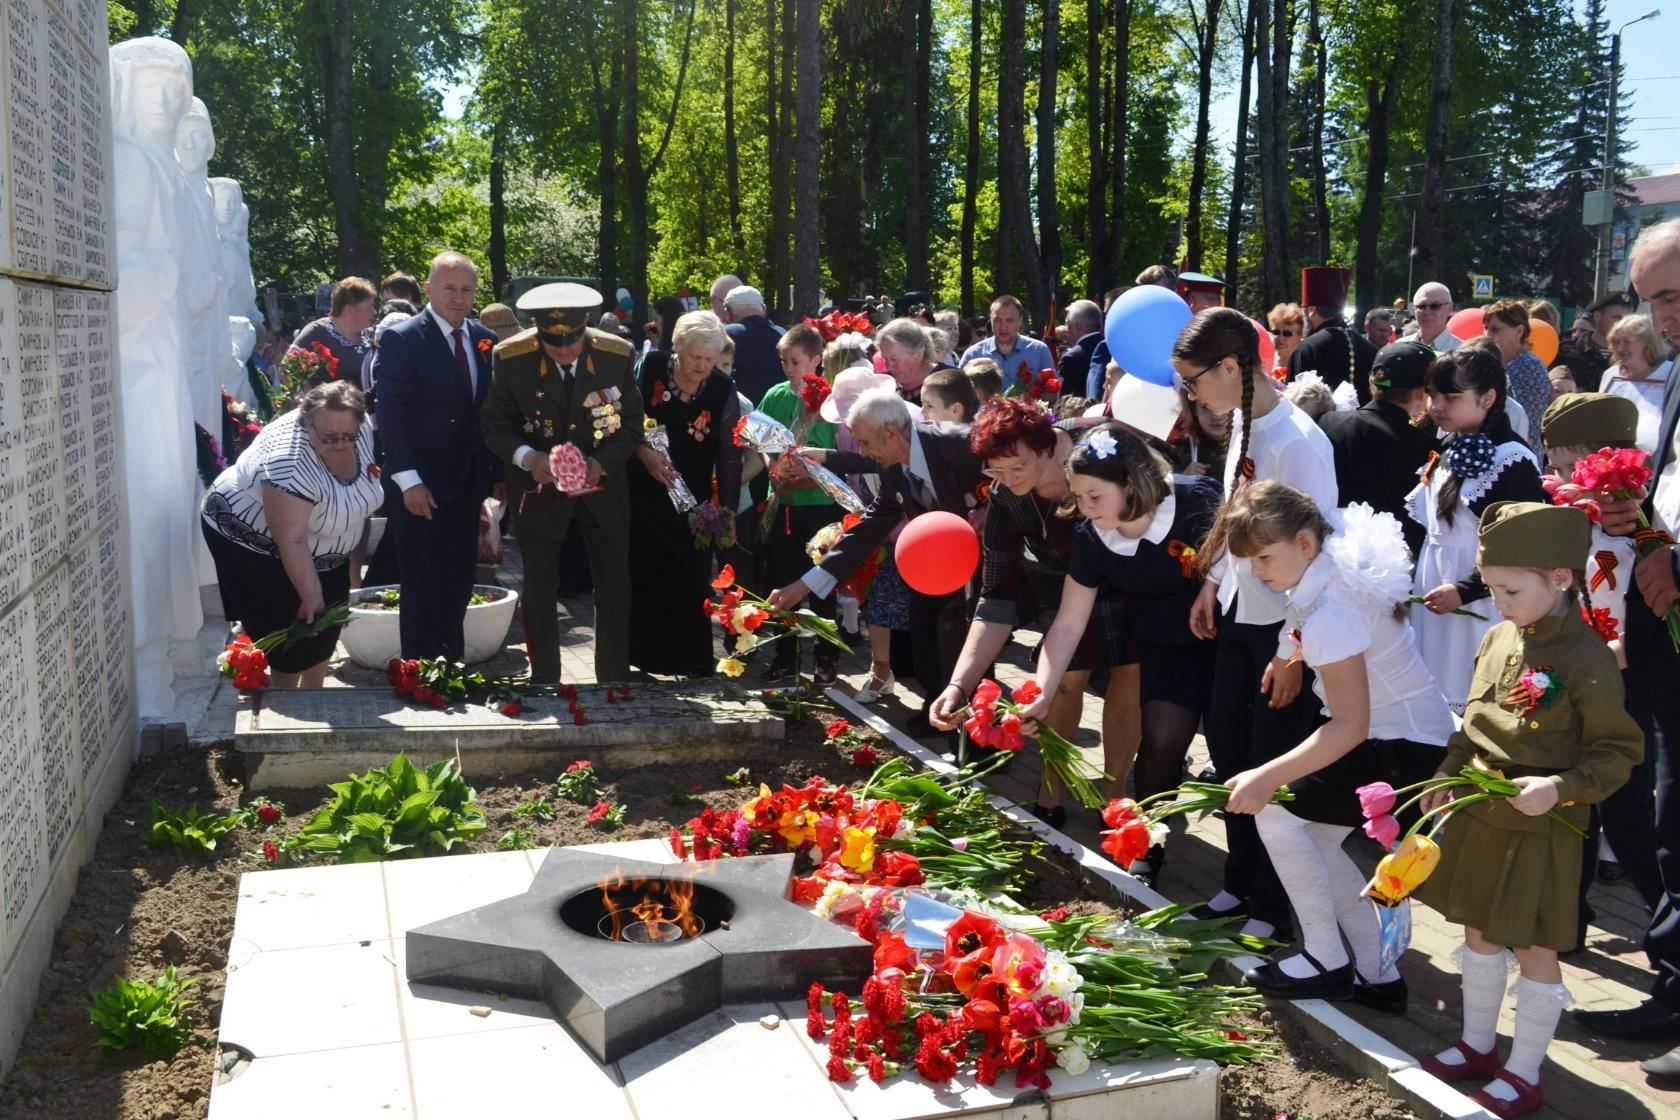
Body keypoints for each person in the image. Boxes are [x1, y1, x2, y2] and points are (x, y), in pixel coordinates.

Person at [1415, 502, 1641, 1117]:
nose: (1498, 602)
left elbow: (1618, 752)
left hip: (1544, 825)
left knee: (1535, 948)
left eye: (1511, 589)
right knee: (1480, 932)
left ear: (1560, 579)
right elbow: (1470, 722)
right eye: (1490, 588)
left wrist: (1561, 787)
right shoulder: (1497, 636)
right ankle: (1478, 1045)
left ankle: (1524, 1071)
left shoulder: (1588, 660)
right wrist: (1444, 772)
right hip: (1482, 813)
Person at [1215, 484, 1453, 1010]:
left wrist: (1266, 775)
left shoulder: (1335, 614)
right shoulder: (1326, 576)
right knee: (1316, 840)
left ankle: (1326, 959)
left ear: (1304, 543)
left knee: (1277, 814)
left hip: (1404, 743)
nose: (1257, 572)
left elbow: (1348, 724)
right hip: (1395, 730)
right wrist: (1284, 655)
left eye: (1263, 557)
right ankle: (1378, 975)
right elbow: (1300, 622)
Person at [1178, 307, 1338, 939]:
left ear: (1229, 366)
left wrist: (1295, 647)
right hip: (1243, 614)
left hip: (1283, 629)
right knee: (1231, 753)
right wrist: (1214, 580)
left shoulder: (1300, 441)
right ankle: (1238, 883)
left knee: (1273, 763)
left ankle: (1274, 905)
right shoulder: (1244, 421)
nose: (1193, 396)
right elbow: (1236, 513)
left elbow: (1316, 548)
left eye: (1195, 381)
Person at [1013, 422, 1215, 877]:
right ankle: (1148, 848)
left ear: (1131, 483)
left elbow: (1238, 553)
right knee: (1162, 741)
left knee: (1229, 747)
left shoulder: (1197, 498)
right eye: (1078, 496)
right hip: (1165, 645)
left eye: (1094, 497)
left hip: (1228, 638)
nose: (1083, 509)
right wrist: (1042, 690)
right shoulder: (1091, 537)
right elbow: (1067, 624)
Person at [928, 408, 1143, 829]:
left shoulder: (1095, 463)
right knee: (1064, 681)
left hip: (1122, 578)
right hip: (1053, 580)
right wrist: (959, 685)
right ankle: (1052, 789)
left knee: (1129, 673)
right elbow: (997, 597)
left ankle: (1115, 794)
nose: (1007, 478)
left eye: (1016, 466)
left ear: (1046, 446)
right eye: (995, 469)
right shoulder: (1006, 496)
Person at [1575, 219, 1680, 1067]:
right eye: (1650, 300)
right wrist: (1640, 528)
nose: (1662, 317)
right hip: (1660, 625)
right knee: (1666, 814)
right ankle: (1676, 990)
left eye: (1672, 296)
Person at [769, 387, 986, 739]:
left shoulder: (955, 442)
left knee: (962, 637)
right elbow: (871, 528)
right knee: (925, 631)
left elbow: (1008, 465)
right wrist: (806, 584)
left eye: (865, 443)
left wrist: (989, 508)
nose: (864, 453)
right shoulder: (893, 467)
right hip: (938, 562)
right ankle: (938, 707)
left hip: (982, 558)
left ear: (890, 434)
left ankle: (979, 732)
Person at [480, 283, 642, 685]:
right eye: (553, 343)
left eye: (572, 340)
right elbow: (495, 426)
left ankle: (612, 678)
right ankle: (545, 679)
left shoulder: (615, 355)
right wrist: (527, 458)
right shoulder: (511, 358)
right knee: (538, 590)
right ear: (537, 333)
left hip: (602, 492)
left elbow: (631, 427)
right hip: (539, 492)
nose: (564, 350)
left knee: (614, 586)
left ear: (585, 328)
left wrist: (598, 464)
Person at [201, 381, 382, 686]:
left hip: (322, 542)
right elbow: (292, 539)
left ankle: (314, 691)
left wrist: (352, 568)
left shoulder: (360, 424)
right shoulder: (288, 461)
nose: (340, 443)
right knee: (290, 630)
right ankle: (288, 705)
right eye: (329, 438)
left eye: (347, 436)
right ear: (307, 423)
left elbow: (360, 506)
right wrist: (310, 594)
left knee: (327, 624)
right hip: (255, 541)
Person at [371, 251, 497, 660]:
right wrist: (408, 481)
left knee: (459, 583)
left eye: (467, 289)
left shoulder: (485, 340)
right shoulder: (403, 338)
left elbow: (486, 414)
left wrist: (494, 480)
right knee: (422, 583)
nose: (459, 298)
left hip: (466, 485)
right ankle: (419, 674)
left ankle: (451, 668)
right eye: (449, 289)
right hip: (419, 487)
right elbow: (390, 415)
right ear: (428, 289)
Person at [1407, 342, 1545, 713]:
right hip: (1435, 589)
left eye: (1450, 397)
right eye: (1432, 395)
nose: (1436, 406)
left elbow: (1523, 543)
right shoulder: (1449, 446)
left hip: (1481, 598)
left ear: (1487, 398)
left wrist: (1466, 590)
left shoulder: (1510, 458)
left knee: (1473, 691)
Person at [628, 310, 742, 675]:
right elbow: (621, 421)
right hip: (642, 493)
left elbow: (728, 456)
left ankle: (690, 664)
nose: (702, 366)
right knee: (644, 578)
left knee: (690, 584)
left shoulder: (723, 390)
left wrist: (729, 512)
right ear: (677, 346)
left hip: (693, 505)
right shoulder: (650, 368)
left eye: (710, 359)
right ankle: (642, 660)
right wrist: (643, 453)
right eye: (695, 357)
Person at [755, 323, 842, 685]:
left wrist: (808, 472)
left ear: (816, 359)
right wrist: (773, 467)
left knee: (821, 583)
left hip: (821, 503)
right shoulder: (774, 395)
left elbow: (839, 451)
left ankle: (825, 658)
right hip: (784, 502)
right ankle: (785, 657)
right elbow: (761, 442)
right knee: (783, 581)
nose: (788, 368)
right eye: (783, 361)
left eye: (795, 361)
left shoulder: (831, 400)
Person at [817, 361, 908, 702]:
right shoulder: (851, 431)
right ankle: (880, 670)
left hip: (909, 529)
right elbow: (862, 464)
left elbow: (876, 464)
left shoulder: (902, 426)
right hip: (878, 521)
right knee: (879, 601)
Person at [1320, 340, 1439, 556]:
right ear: (1422, 393)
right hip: (1394, 563)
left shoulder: (1328, 422)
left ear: (1371, 381)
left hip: (1328, 547)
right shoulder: (1425, 447)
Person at [1286, 268, 1376, 406]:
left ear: (1312, 310)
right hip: (1363, 426)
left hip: (1320, 427)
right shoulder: (1368, 347)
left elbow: (1294, 404)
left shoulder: (1307, 349)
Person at [1601, 314, 1674, 455]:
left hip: (1661, 460)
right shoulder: (1611, 375)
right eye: (1617, 342)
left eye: (1627, 342)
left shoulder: (1671, 373)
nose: (1620, 348)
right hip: (1614, 458)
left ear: (1648, 343)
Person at [1481, 300, 1550, 449]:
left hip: (1515, 457)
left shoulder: (1529, 367)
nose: (1487, 335)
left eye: (1495, 329)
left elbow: (1529, 432)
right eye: (1486, 328)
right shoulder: (1498, 363)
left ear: (1519, 331)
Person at [957, 294, 1054, 385]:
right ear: (990, 320)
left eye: (1009, 320)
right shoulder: (973, 354)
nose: (1003, 327)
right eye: (997, 320)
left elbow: (1052, 391)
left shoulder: (1039, 351)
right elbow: (961, 394)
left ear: (1020, 320)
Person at [293, 277, 376, 381]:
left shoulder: (372, 335)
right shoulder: (318, 331)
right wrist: (304, 388)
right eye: (370, 306)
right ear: (351, 309)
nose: (374, 312)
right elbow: (286, 367)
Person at [1558, 290, 1635, 393]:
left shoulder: (1633, 356)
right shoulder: (1568, 352)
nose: (1622, 324)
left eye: (1627, 319)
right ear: (1597, 317)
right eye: (1617, 318)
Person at [722, 285, 785, 405]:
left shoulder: (727, 335)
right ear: (764, 309)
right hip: (783, 412)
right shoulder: (784, 335)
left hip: (741, 416)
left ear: (728, 312)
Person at [877, 316, 947, 405]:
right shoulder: (884, 385)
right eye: (885, 359)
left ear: (918, 354)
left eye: (894, 359)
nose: (889, 366)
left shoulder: (949, 382)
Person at [1056, 300, 1104, 401]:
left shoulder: (1071, 358)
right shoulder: (1110, 349)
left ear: (1078, 327)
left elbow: (1064, 401)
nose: (1066, 329)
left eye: (1068, 324)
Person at [1408, 282, 1464, 352]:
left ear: (1450, 308)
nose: (1427, 312)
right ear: (1414, 309)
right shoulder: (1400, 347)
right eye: (1421, 306)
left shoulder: (1461, 352)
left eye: (1435, 306)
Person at [1268, 302, 1306, 376]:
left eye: (1287, 333)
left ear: (1299, 336)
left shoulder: (1305, 362)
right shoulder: (1266, 360)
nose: (1281, 339)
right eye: (1276, 332)